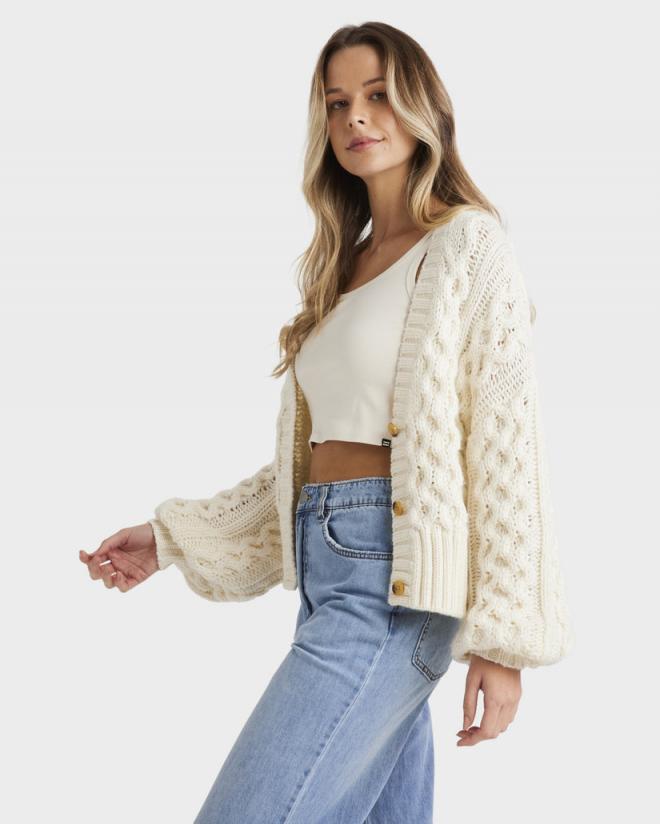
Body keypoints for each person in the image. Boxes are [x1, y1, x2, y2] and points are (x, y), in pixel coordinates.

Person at [79, 21, 574, 823]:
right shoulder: (343, 269)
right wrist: (170, 537)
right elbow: (310, 469)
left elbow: (506, 443)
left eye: (378, 95)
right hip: (328, 570)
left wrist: (505, 641)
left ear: (423, 109)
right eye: (338, 103)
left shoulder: (468, 247)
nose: (357, 118)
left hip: (395, 585)